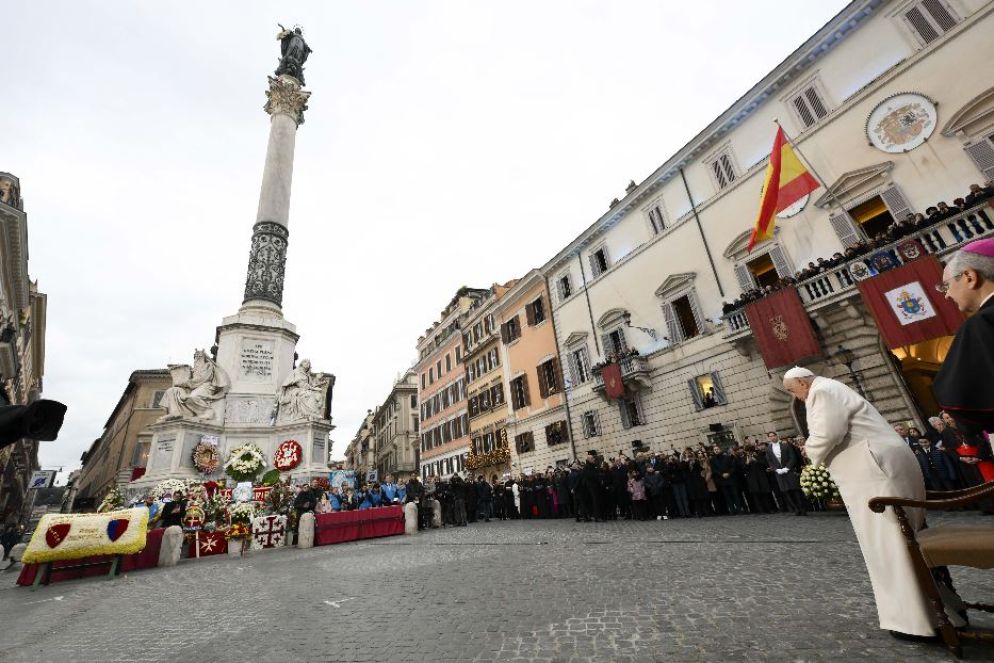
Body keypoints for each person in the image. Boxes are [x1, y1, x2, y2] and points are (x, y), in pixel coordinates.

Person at [784, 366, 949, 640]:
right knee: (902, 536)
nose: (797, 397)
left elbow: (827, 433)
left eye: (793, 390)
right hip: (879, 465)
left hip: (874, 471)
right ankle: (940, 611)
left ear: (802, 381)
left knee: (889, 540)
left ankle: (916, 620)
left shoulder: (822, 391)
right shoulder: (833, 388)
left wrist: (809, 449)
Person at [933, 238, 994, 434]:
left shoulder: (982, 324)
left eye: (946, 285)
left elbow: (956, 399)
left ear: (969, 277)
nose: (946, 295)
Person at [765, 431, 806, 516]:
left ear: (777, 436)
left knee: (795, 490)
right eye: (770, 436)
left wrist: (787, 468)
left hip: (789, 471)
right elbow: (770, 461)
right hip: (779, 473)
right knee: (786, 492)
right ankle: (796, 509)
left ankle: (802, 508)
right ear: (769, 438)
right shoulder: (768, 448)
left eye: (773, 436)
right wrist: (776, 469)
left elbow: (792, 457)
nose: (772, 437)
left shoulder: (785, 445)